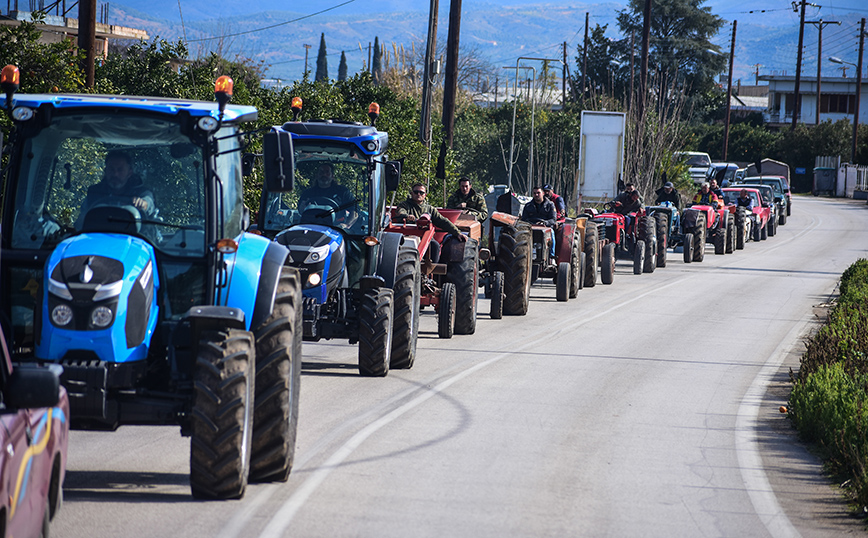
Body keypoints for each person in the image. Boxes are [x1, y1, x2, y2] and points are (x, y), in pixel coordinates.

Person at [79, 151, 156, 225]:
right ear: (105, 171)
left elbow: (148, 202)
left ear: (129, 173)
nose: (115, 174)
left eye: (120, 170)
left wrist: (143, 204)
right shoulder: (94, 192)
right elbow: (81, 220)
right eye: (111, 169)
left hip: (136, 237)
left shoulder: (141, 192)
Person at [396, 183, 466, 261]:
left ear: (425, 195)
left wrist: (457, 233)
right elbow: (400, 211)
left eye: (421, 192)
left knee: (435, 246)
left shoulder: (430, 209)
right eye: (416, 192)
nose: (418, 194)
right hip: (408, 236)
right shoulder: (405, 205)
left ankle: (433, 271)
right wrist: (406, 216)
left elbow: (443, 221)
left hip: (426, 238)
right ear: (412, 193)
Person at [521, 186, 558, 256]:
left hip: (546, 227)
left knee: (551, 234)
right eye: (534, 193)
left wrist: (545, 222)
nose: (536, 195)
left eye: (538, 193)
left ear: (543, 193)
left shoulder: (550, 205)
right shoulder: (528, 206)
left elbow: (553, 219)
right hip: (531, 228)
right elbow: (523, 220)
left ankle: (551, 256)